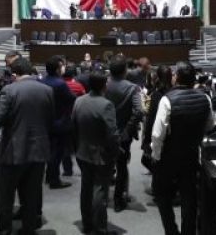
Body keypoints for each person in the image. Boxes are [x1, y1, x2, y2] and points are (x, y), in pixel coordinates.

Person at [0, 58, 54, 235]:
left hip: (13, 152)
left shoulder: (9, 90)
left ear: (15, 74)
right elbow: (50, 119)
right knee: (31, 196)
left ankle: (4, 231)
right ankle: (28, 230)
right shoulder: (47, 90)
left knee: (6, 197)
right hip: (39, 150)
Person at [151, 62, 214, 235]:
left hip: (169, 157)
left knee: (163, 197)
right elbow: (210, 125)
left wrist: (156, 156)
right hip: (192, 155)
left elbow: (157, 135)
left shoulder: (167, 99)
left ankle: (172, 231)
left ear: (177, 77)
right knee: (189, 198)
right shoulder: (205, 98)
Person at [73, 72, 120, 235]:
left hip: (81, 151)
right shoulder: (106, 104)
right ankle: (100, 229)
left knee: (86, 189)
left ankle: (87, 224)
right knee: (100, 191)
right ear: (103, 85)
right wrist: (116, 152)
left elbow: (74, 127)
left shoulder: (79, 101)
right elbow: (112, 134)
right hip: (100, 154)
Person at [105, 54, 144, 211]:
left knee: (106, 165)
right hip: (123, 135)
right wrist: (128, 129)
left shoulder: (103, 85)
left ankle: (102, 199)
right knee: (122, 166)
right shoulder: (132, 88)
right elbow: (139, 111)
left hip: (106, 133)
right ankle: (118, 199)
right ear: (125, 71)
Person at [41, 56, 76, 188]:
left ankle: (49, 176)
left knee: (50, 150)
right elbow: (71, 99)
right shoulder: (60, 83)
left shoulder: (42, 81)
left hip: (46, 121)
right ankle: (54, 180)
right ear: (57, 69)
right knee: (57, 152)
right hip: (60, 121)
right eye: (62, 66)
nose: (64, 68)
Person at [142, 65, 173, 192]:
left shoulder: (156, 94)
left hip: (158, 131)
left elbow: (151, 120)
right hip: (171, 133)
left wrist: (146, 140)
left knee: (156, 161)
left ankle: (158, 189)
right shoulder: (173, 92)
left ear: (158, 78)